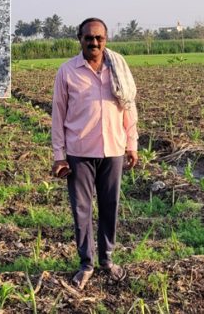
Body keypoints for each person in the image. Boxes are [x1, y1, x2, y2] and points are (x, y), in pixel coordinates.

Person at [51, 17, 138, 290]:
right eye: (89, 37)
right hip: (79, 152)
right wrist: (59, 155)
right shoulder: (67, 72)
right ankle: (86, 264)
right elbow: (58, 116)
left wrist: (131, 144)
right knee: (82, 210)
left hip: (113, 150)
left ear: (106, 40)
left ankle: (107, 260)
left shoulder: (118, 69)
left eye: (99, 38)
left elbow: (129, 108)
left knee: (110, 206)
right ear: (80, 39)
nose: (94, 42)